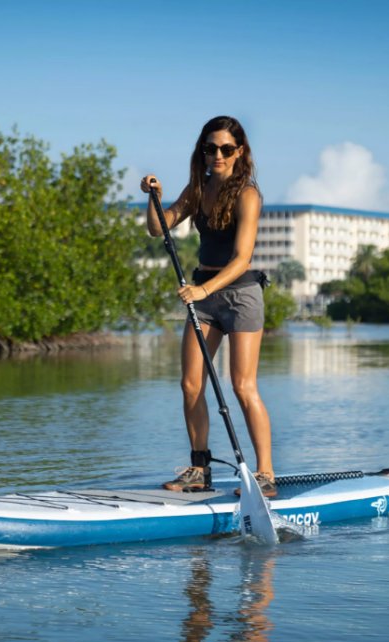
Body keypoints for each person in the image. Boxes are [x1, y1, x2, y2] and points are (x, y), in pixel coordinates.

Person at [140, 116, 277, 498]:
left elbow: (242, 259)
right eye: (210, 148)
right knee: (190, 385)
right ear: (202, 152)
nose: (217, 155)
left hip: (240, 294)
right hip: (204, 295)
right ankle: (199, 469)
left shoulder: (249, 195)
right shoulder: (198, 189)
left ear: (240, 152)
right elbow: (159, 228)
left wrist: (203, 291)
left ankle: (265, 474)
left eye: (226, 149)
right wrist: (154, 198)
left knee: (242, 385)